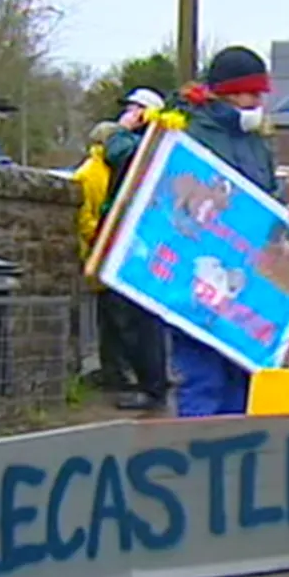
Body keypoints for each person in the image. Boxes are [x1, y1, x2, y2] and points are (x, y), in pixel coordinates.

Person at [170, 46, 279, 417]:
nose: (257, 102)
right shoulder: (189, 133)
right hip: (198, 275)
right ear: (227, 93)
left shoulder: (256, 144)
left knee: (241, 378)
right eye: (251, 94)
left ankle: (231, 465)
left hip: (242, 278)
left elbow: (267, 197)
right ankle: (197, 465)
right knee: (203, 380)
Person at [98, 88, 170, 410]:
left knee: (137, 314)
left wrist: (123, 129)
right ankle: (144, 378)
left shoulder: (143, 143)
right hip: (137, 236)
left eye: (133, 108)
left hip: (139, 238)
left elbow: (117, 153)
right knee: (131, 314)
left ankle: (150, 383)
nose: (126, 112)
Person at [73, 119, 132, 391]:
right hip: (104, 251)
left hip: (101, 251)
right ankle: (114, 373)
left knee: (109, 319)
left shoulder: (92, 172)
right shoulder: (92, 174)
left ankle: (115, 372)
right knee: (110, 319)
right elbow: (86, 221)